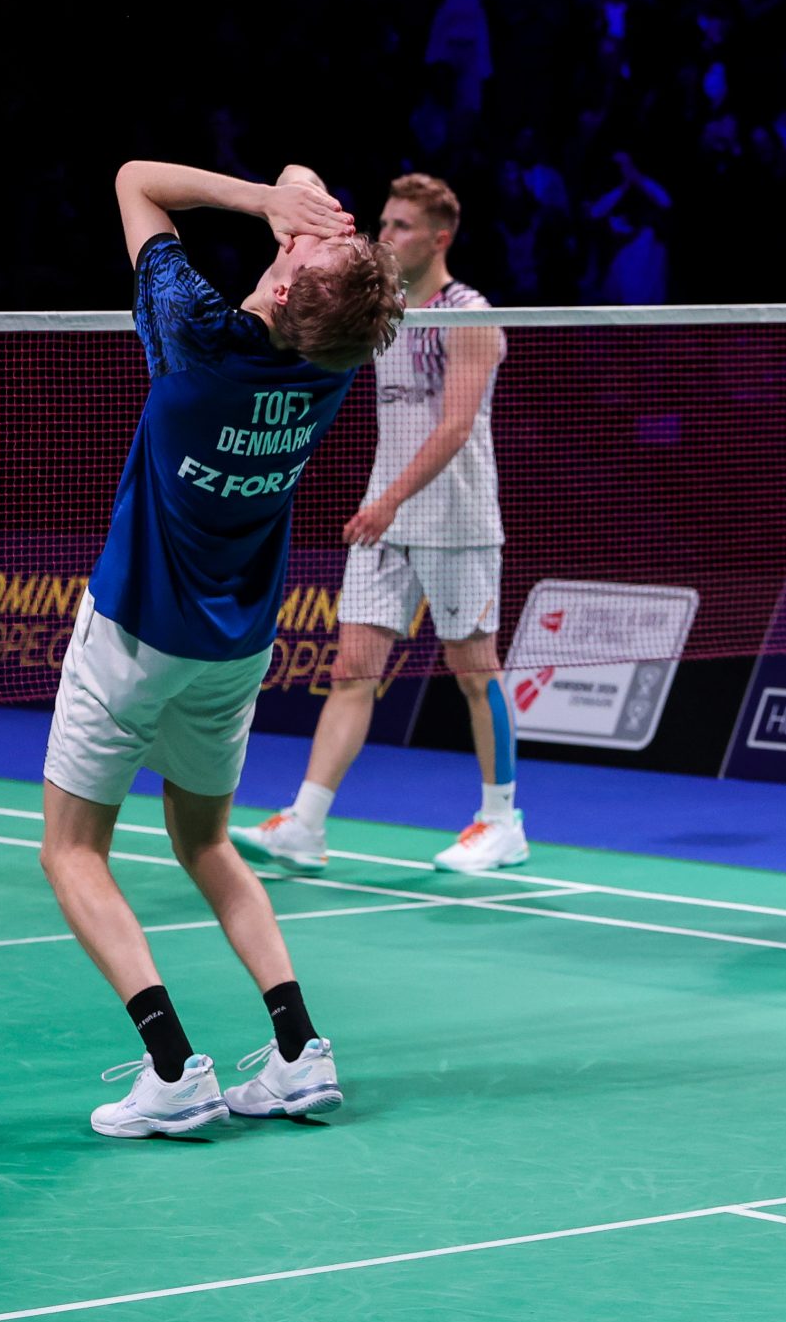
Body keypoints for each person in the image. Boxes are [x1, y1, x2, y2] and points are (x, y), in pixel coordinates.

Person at [41, 159, 404, 1138]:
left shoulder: (192, 334)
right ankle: (298, 1051)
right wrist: (299, 219)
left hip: (133, 635)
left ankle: (172, 1070)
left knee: (72, 851)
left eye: (304, 249)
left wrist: (263, 203)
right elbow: (313, 209)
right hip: (236, 648)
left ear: (283, 288)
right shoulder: (335, 356)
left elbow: (133, 181)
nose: (303, 235)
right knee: (205, 842)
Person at [236, 173, 523, 876]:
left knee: (475, 671)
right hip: (384, 519)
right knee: (351, 671)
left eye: (401, 226)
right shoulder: (383, 310)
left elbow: (456, 425)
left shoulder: (469, 312)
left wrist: (389, 499)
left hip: (455, 520)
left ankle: (501, 821)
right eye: (385, 222)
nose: (386, 234)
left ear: (439, 238)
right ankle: (305, 823)